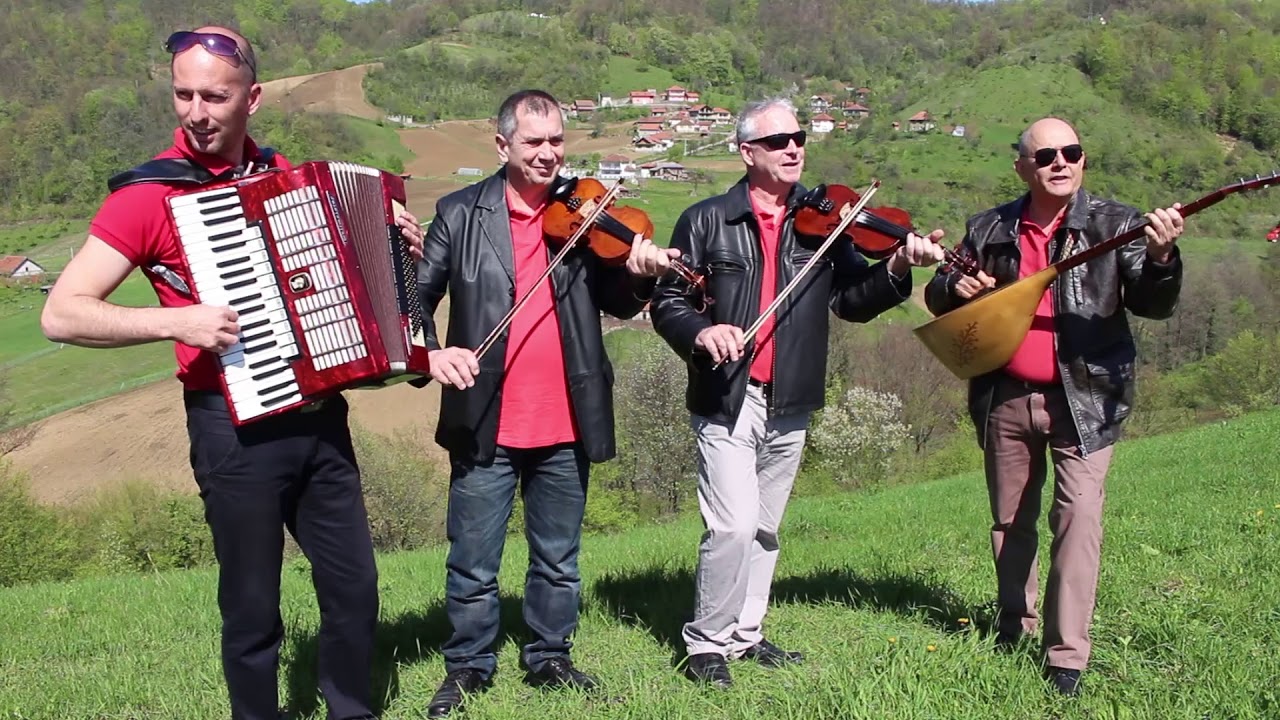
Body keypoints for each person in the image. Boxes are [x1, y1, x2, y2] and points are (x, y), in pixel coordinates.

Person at [40, 26, 425, 720]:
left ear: (252, 99)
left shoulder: (285, 177)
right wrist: (176, 321)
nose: (196, 112)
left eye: (214, 97)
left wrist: (402, 251)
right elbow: (63, 314)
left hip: (318, 418)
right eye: (183, 94)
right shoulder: (146, 196)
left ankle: (350, 710)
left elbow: (348, 290)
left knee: (355, 589)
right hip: (231, 431)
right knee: (252, 608)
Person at [649, 97, 947, 689]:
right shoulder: (706, 220)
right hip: (728, 393)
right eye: (779, 140)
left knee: (763, 525)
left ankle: (746, 633)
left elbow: (851, 300)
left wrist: (895, 268)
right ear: (747, 152)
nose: (794, 148)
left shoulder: (825, 221)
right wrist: (701, 331)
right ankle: (706, 642)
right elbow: (668, 302)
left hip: (793, 394)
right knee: (731, 525)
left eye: (799, 138)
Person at [415, 89, 679, 718]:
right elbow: (416, 297)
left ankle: (550, 656)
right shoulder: (459, 213)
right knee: (473, 559)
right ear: (501, 143)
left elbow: (616, 301)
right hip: (486, 416)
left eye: (556, 141)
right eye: (533, 142)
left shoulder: (588, 214)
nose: (548, 154)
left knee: (558, 557)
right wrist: (429, 353)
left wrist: (640, 270)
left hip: (566, 415)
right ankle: (469, 666)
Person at [924, 117, 1184, 696]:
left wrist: (1162, 258)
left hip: (1087, 398)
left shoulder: (1116, 224)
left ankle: (1067, 657)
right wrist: (952, 290)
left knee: (1078, 521)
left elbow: (1152, 301)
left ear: (1083, 160)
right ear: (1023, 167)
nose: (1060, 163)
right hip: (1004, 395)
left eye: (1072, 152)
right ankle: (1015, 625)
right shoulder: (989, 227)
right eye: (1045, 156)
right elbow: (941, 293)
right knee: (1010, 520)